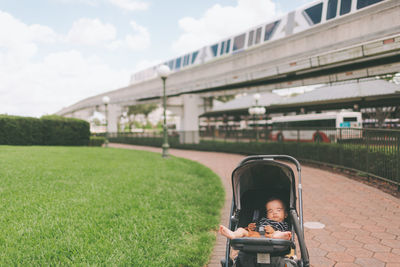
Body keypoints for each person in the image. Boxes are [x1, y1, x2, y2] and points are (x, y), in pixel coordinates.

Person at [219, 198, 292, 240]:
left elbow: (284, 230)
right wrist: (250, 227)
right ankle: (233, 234)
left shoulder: (283, 224)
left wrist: (273, 231)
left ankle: (281, 236)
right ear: (267, 215)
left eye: (278, 210)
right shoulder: (263, 220)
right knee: (241, 230)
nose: (274, 213)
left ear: (285, 214)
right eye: (270, 211)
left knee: (278, 234)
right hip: (254, 236)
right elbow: (255, 227)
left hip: (271, 238)